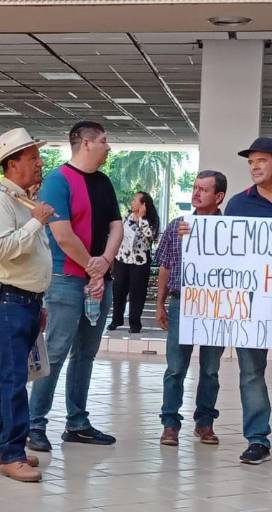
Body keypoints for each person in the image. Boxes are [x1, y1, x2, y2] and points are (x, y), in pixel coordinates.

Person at [27, 120, 122, 452]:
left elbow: (116, 226)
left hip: (100, 279)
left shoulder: (104, 183)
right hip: (67, 280)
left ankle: (77, 423)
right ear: (85, 143)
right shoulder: (57, 182)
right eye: (104, 141)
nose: (108, 147)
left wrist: (104, 264)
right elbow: (62, 235)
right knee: (55, 352)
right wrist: (92, 269)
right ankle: (34, 423)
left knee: (86, 354)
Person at [0, 127, 55, 482]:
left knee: (8, 375)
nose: (39, 163)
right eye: (32, 157)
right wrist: (36, 224)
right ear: (12, 164)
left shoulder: (22, 203)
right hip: (8, 299)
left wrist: (38, 299)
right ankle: (12, 453)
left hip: (25, 300)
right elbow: (2, 250)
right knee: (13, 378)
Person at [156, 170, 226, 447]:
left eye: (204, 190)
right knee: (175, 367)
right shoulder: (177, 226)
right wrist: (160, 303)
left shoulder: (231, 229)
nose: (196, 193)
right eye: (195, 187)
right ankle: (170, 423)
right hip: (180, 301)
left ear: (218, 196)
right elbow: (165, 266)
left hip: (216, 305)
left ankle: (205, 422)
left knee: (210, 369)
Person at [225, 137, 272, 464]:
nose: (254, 167)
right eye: (251, 162)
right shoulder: (239, 205)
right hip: (253, 301)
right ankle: (257, 438)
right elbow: (225, 254)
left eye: (262, 161)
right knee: (251, 370)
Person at [108, 191, 159, 334]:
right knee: (118, 290)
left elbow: (150, 237)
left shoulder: (150, 220)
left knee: (137, 293)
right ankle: (116, 319)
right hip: (123, 259)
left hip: (140, 262)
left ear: (143, 204)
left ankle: (135, 323)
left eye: (135, 200)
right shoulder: (126, 218)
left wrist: (142, 218)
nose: (132, 202)